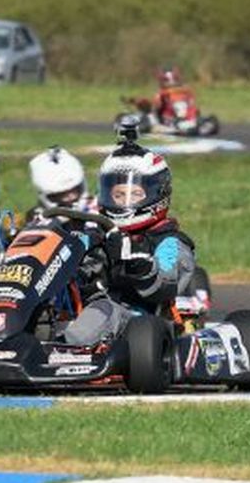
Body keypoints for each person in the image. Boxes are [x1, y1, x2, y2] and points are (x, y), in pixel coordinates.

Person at [56, 128, 197, 345]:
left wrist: (138, 266)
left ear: (158, 194)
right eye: (118, 195)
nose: (124, 202)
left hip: (141, 323)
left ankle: (66, 344)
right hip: (84, 311)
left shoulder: (169, 242)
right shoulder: (97, 234)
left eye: (135, 194)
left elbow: (165, 283)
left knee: (102, 310)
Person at [27, 146, 95, 219]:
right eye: (61, 194)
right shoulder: (37, 218)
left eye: (74, 190)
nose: (71, 197)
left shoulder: (97, 208)